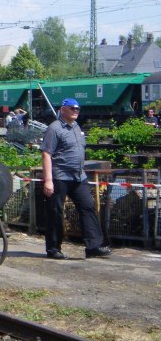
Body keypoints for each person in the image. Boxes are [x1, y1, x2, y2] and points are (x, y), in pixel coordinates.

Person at [40, 98, 112, 260]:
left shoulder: (77, 127)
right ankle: (53, 248)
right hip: (60, 176)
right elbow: (46, 153)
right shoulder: (54, 129)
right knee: (55, 212)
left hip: (79, 176)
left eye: (78, 108)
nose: (76, 111)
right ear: (62, 109)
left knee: (88, 207)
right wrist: (48, 180)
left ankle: (93, 246)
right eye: (72, 108)